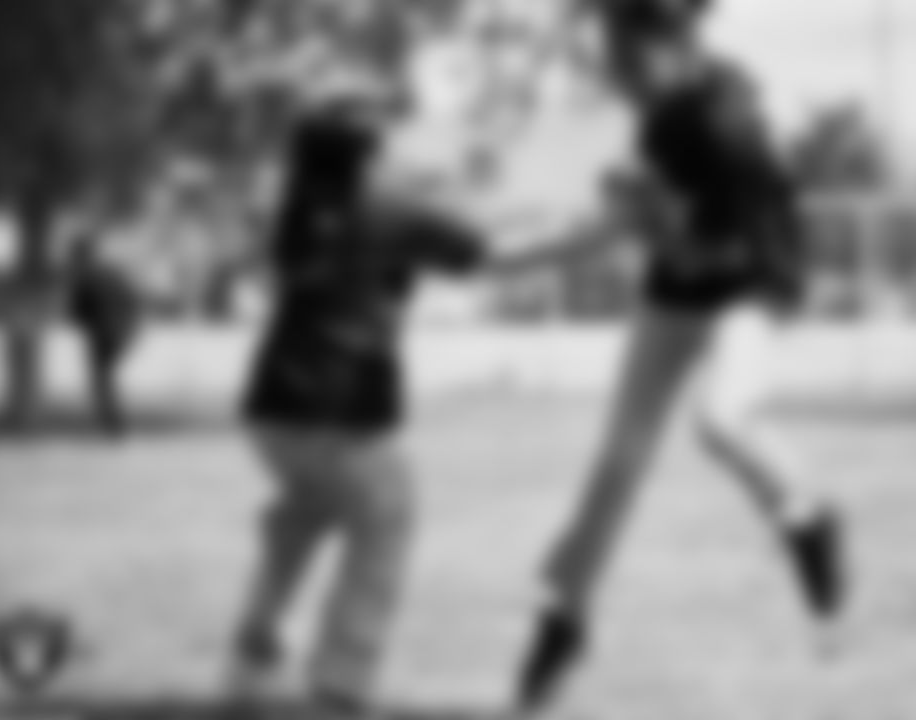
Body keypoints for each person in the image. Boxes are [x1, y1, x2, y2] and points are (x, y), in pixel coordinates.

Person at [227, 95, 627, 719]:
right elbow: (491, 254)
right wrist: (597, 234)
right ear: (370, 151)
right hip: (340, 406)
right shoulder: (388, 204)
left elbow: (441, 230)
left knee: (306, 511)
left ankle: (254, 649)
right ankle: (340, 685)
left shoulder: (304, 202)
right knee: (385, 519)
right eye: (394, 134)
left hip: (272, 410)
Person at [514, 0, 850, 711]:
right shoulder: (662, 116)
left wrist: (655, 223)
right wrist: (500, 257)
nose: (616, 73)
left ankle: (810, 519)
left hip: (749, 286)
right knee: (617, 465)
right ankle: (565, 619)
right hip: (679, 287)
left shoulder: (730, 122)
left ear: (672, 45)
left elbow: (719, 243)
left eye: (627, 57)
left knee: (721, 419)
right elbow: (626, 229)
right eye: (611, 58)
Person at [67, 236, 142, 438]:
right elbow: (132, 299)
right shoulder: (110, 273)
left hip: (103, 332)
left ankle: (112, 424)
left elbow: (77, 310)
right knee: (107, 377)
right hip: (122, 331)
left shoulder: (86, 276)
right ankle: (112, 423)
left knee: (102, 378)